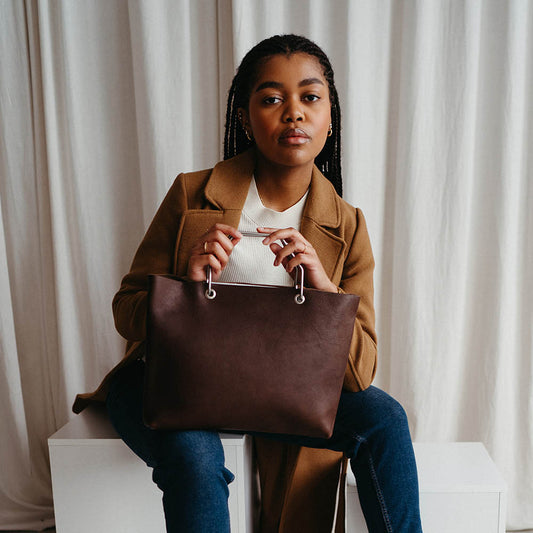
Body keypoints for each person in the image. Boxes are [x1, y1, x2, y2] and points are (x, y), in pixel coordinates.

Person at [73, 34, 423, 532]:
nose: (294, 113)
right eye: (272, 99)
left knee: (385, 420)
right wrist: (182, 286)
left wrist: (326, 294)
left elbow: (360, 372)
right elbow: (126, 310)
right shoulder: (193, 192)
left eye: (310, 97)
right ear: (245, 117)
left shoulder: (347, 224)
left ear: (330, 116)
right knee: (194, 461)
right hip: (175, 380)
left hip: (284, 387)